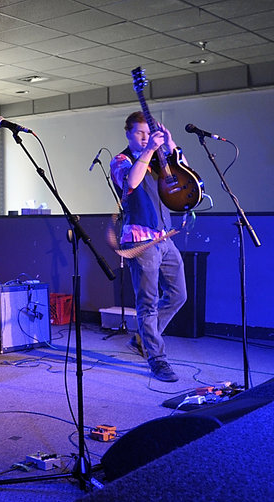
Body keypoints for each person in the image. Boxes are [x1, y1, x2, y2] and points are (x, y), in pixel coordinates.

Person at [110, 111, 187, 383]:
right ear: (128, 133)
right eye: (139, 133)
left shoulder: (158, 157)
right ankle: (157, 359)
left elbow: (183, 172)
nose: (145, 137)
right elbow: (131, 181)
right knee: (148, 303)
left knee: (179, 295)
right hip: (140, 240)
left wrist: (171, 144)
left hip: (164, 237)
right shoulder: (121, 160)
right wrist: (151, 149)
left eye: (148, 132)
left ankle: (142, 338)